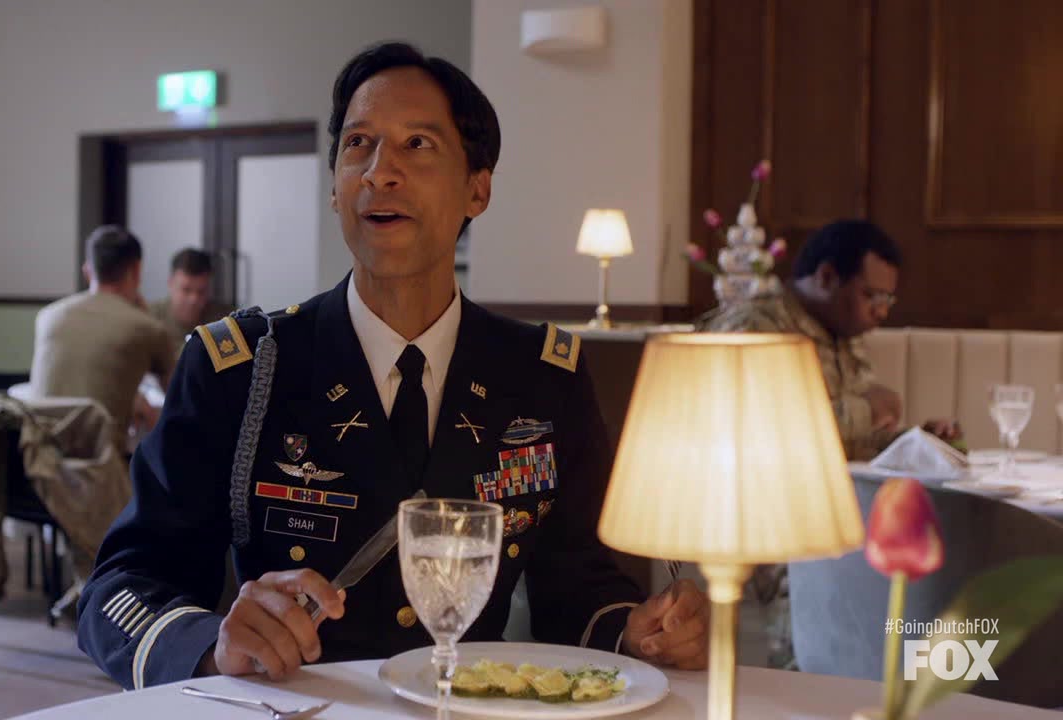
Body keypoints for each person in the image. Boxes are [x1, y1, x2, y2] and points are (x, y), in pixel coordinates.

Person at [77, 42, 710, 692]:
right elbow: (119, 589)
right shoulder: (243, 372)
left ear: (477, 189)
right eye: (359, 144)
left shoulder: (542, 378)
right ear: (334, 188)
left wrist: (638, 631)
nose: (380, 172)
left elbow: (581, 586)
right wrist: (214, 644)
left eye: (417, 145)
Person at [701, 219, 961, 462]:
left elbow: (849, 444)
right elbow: (764, 432)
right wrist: (866, 411)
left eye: (887, 300)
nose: (882, 312)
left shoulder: (841, 333)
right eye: (871, 296)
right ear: (826, 277)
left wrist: (916, 442)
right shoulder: (754, 330)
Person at [30, 225, 175, 451]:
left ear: (88, 271)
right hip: (103, 465)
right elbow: (178, 405)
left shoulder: (48, 316)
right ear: (136, 271)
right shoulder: (146, 327)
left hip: (39, 460)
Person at [149, 247, 226, 359]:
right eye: (186, 290)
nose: (193, 299)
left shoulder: (223, 321)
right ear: (170, 284)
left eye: (201, 291)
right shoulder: (149, 318)